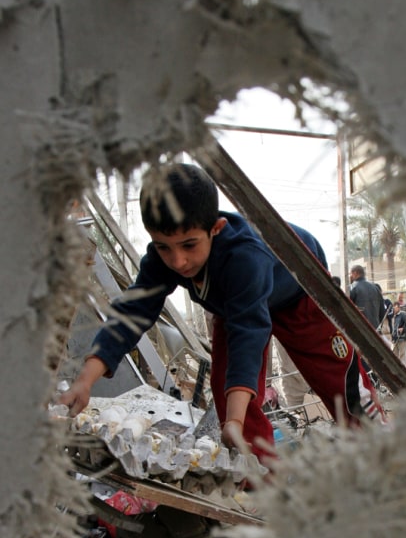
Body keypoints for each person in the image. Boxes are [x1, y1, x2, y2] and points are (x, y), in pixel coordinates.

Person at [60, 163, 379, 461]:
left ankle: (381, 456)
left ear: (216, 228)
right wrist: (85, 382)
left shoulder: (244, 257)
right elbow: (132, 312)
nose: (178, 262)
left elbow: (248, 336)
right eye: (164, 247)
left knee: (340, 384)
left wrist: (236, 419)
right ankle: (257, 480)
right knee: (228, 393)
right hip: (233, 305)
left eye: (189, 245)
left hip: (299, 288)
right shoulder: (163, 259)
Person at [348, 265, 384, 330]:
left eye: (350, 273)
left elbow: (349, 309)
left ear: (355, 273)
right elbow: (382, 310)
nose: (350, 276)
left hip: (360, 328)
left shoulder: (352, 288)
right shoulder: (375, 287)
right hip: (375, 328)